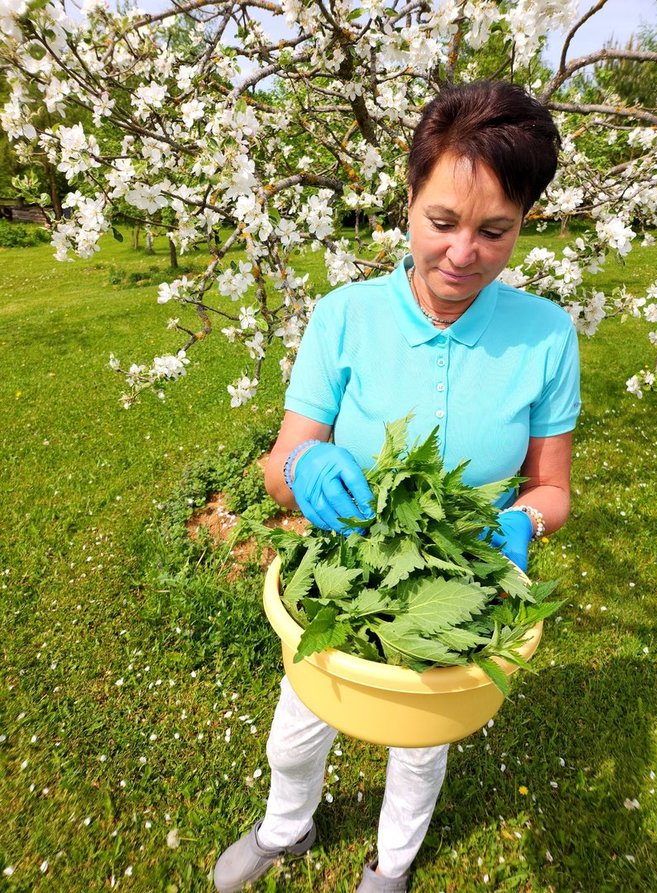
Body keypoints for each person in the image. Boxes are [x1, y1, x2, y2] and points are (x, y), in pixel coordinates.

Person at [214, 79, 580, 892]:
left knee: (421, 745)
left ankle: (393, 864)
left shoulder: (548, 337)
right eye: (442, 222)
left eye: (495, 231)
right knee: (299, 724)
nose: (461, 254)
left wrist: (525, 521)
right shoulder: (344, 315)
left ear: (525, 224)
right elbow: (281, 469)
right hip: (346, 573)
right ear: (408, 197)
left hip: (456, 583)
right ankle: (285, 825)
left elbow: (552, 488)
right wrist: (305, 467)